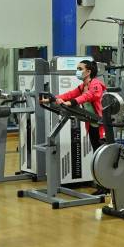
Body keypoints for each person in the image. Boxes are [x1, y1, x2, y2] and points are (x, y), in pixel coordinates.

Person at [42, 59, 109, 195]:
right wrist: (51, 99)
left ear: (88, 71)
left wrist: (71, 102)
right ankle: (103, 186)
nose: (77, 71)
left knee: (103, 156)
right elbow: (70, 94)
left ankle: (107, 186)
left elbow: (89, 96)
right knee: (97, 154)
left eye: (80, 68)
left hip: (102, 126)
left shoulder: (96, 84)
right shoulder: (83, 85)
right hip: (92, 125)